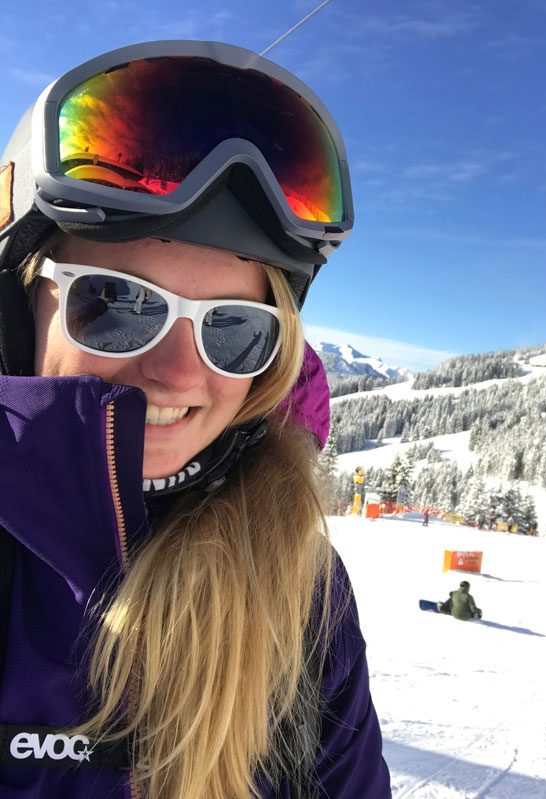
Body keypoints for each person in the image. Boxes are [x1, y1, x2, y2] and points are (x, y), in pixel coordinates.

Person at [0, 41, 391, 799]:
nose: (179, 374)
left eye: (232, 328)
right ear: (20, 306)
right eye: (116, 303)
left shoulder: (300, 592)